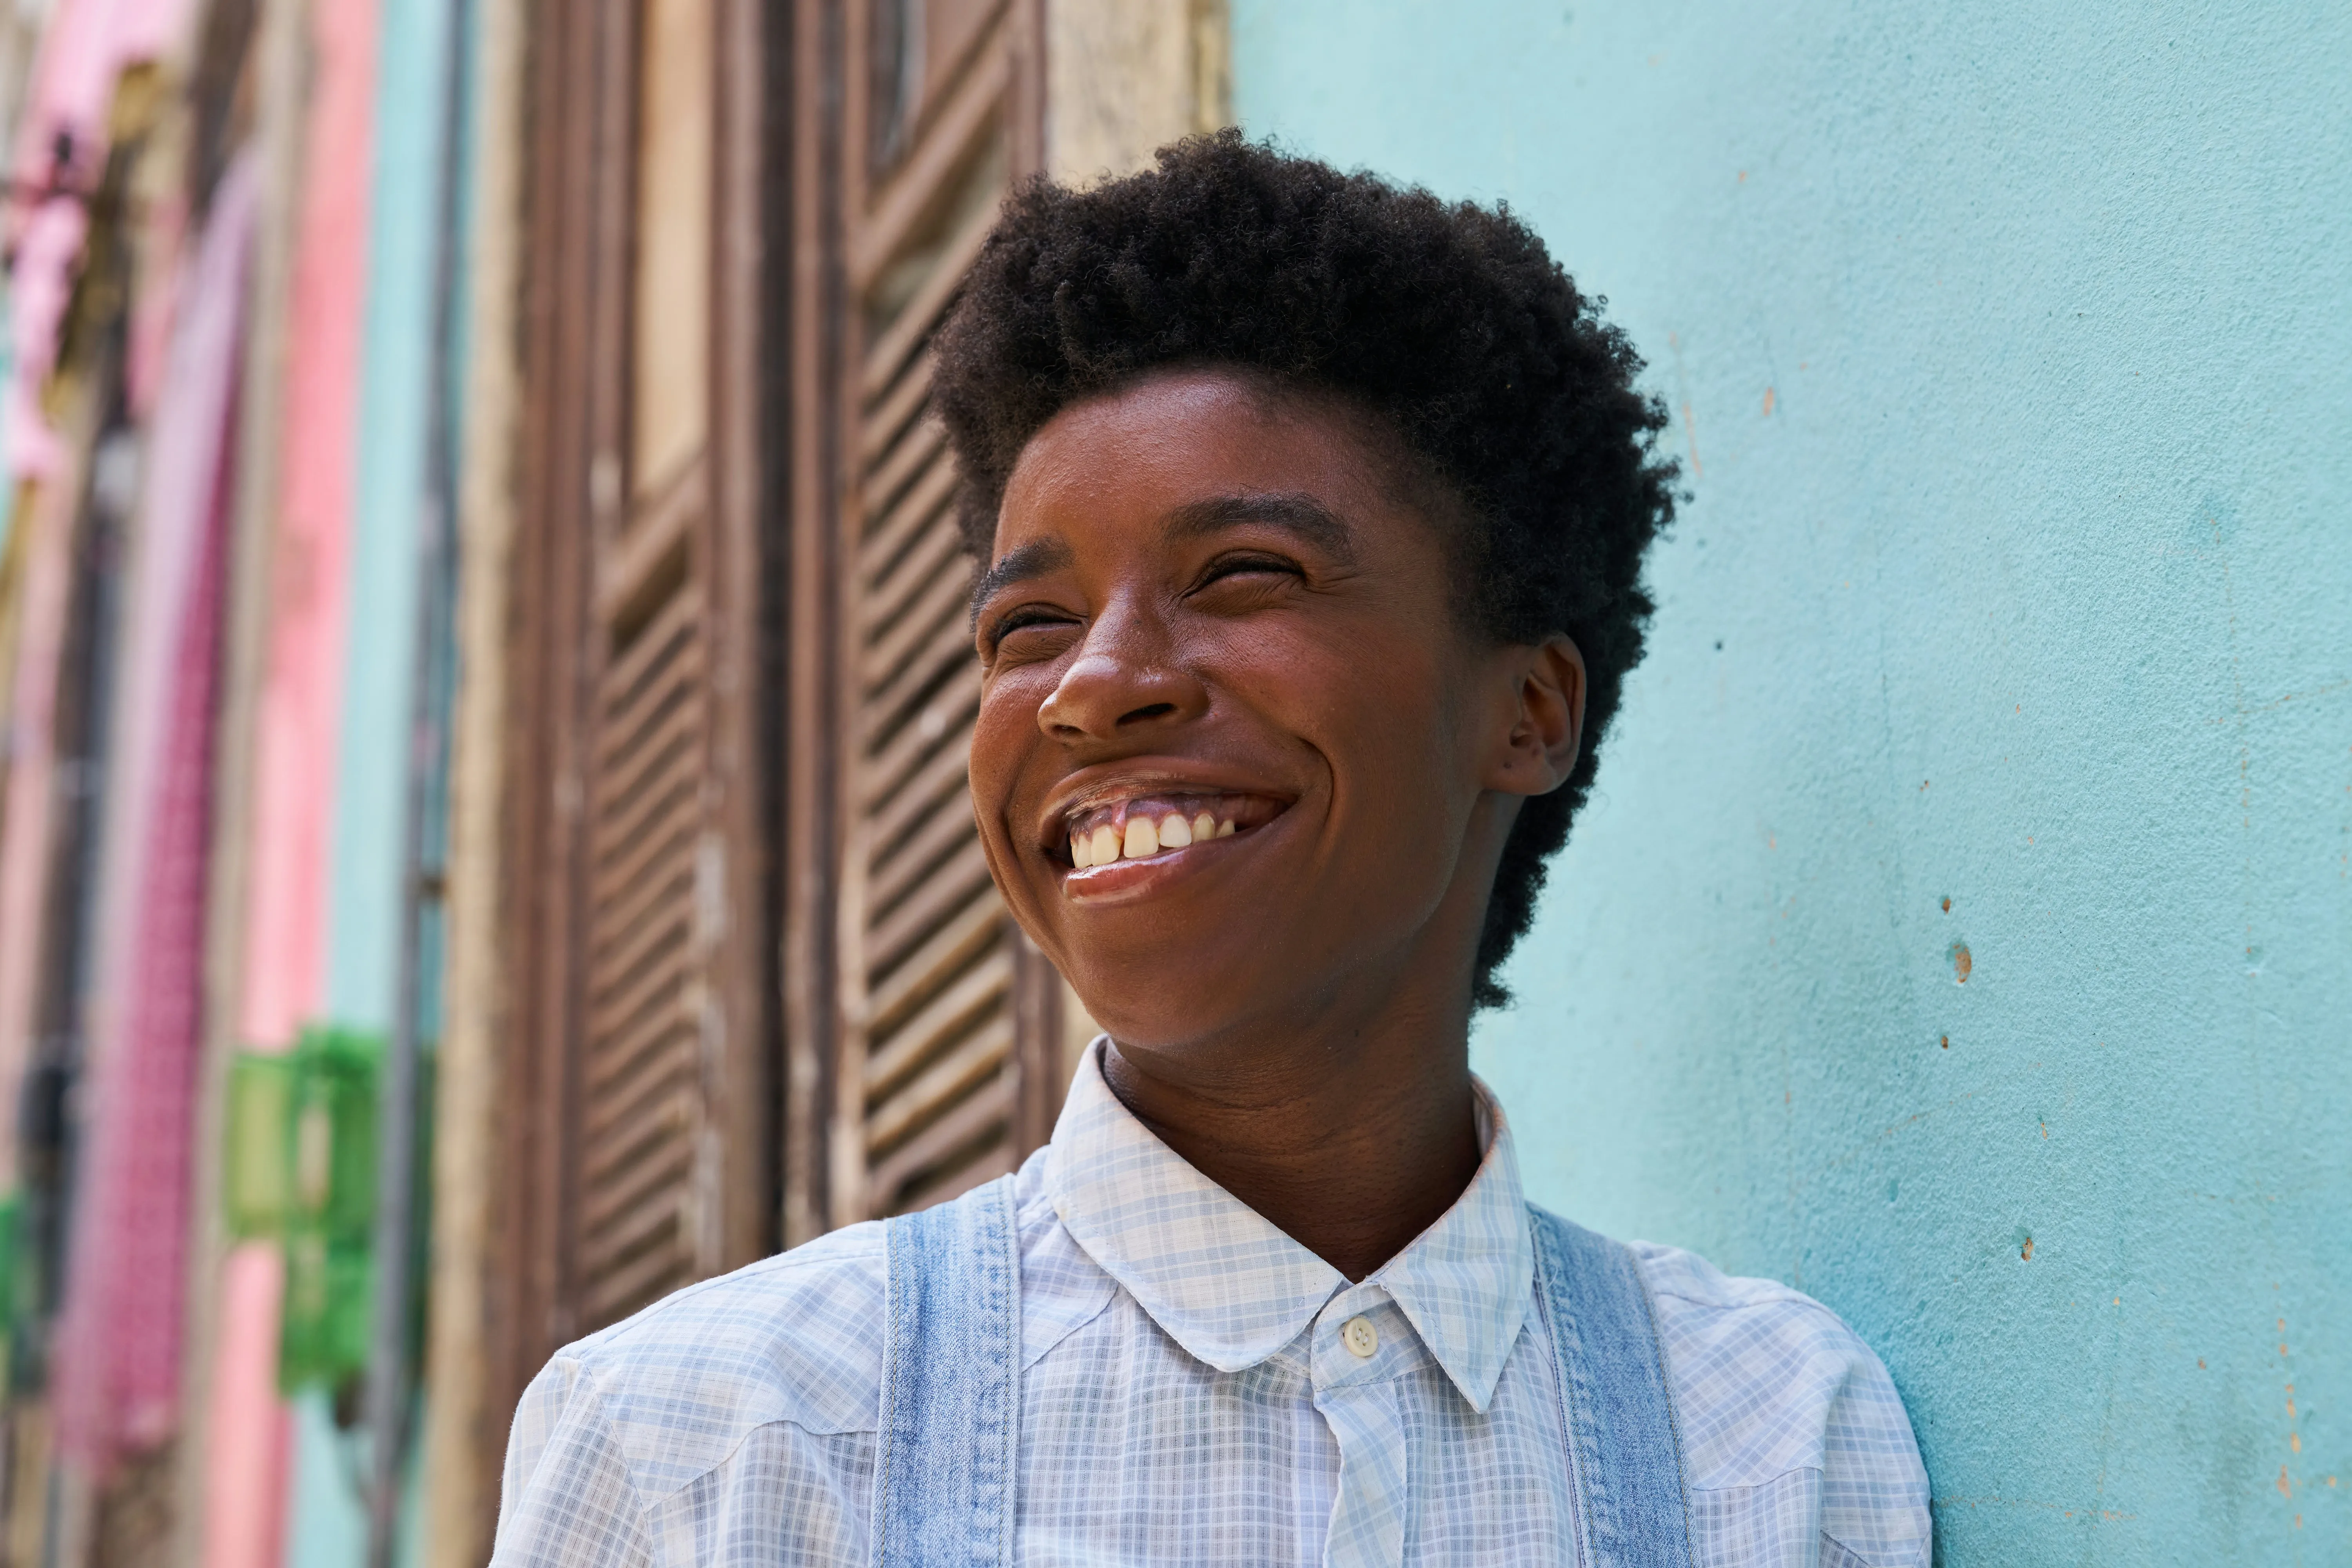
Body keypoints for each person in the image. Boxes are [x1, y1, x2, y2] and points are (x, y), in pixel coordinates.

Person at [492, 132, 1931, 1568]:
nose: (1094, 684)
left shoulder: (1775, 1450)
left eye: (1245, 575)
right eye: (1028, 629)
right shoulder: (706, 1448)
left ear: (1528, 712)